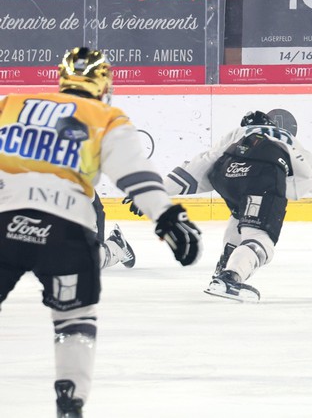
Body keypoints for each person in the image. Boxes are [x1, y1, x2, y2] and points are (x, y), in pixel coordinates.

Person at [0, 47, 202, 417]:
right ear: (103, 84)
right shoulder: (106, 116)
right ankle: (70, 400)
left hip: (4, 221)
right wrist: (168, 216)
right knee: (74, 319)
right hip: (65, 228)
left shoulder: (10, 103)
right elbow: (135, 174)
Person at [127, 110, 312, 302]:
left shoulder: (237, 134)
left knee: (243, 215)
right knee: (260, 236)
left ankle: (225, 266)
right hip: (264, 172)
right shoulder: (285, 137)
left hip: (227, 173)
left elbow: (201, 164)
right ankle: (232, 276)